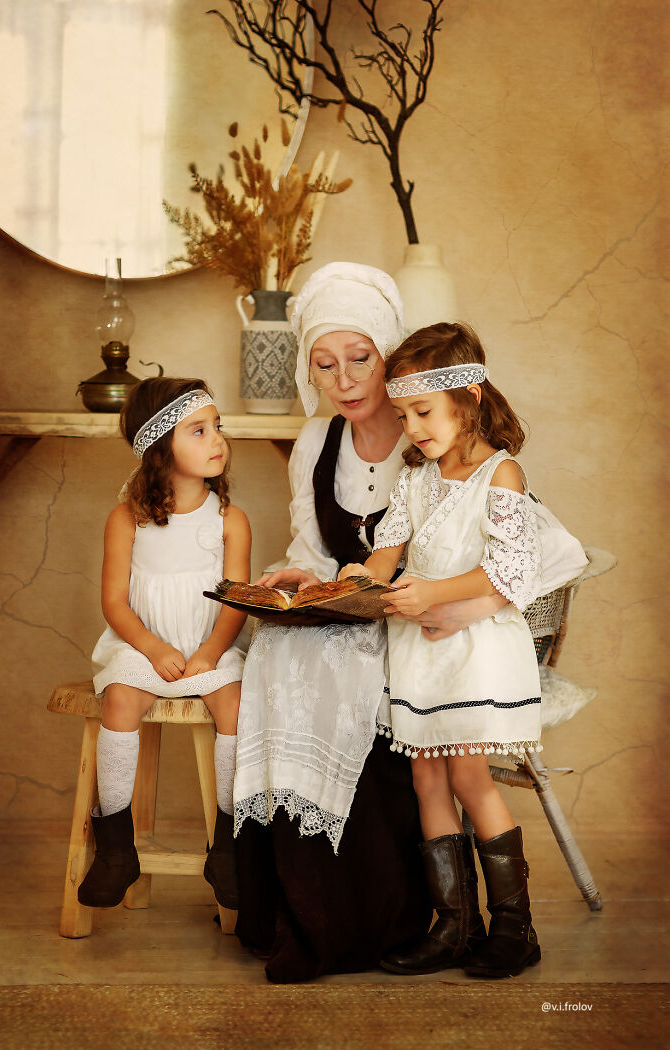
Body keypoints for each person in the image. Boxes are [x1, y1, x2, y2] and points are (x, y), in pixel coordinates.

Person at [232, 263, 511, 983]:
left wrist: (399, 590)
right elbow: (329, 551)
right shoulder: (316, 444)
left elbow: (483, 557)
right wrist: (305, 579)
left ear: (392, 353)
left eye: (361, 359)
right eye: (325, 365)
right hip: (361, 607)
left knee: (345, 673)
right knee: (277, 656)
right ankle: (299, 907)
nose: (346, 379)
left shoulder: (433, 448)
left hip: (431, 623)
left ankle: (405, 916)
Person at [339, 322, 543, 979]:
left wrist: (429, 592)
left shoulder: (500, 473)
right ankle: (454, 924)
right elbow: (386, 554)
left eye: (423, 412)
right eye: (402, 415)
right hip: (423, 655)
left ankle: (517, 928)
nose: (413, 428)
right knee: (426, 776)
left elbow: (507, 575)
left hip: (475, 650)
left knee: (466, 777)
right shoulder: (416, 480)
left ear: (470, 397)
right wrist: (359, 578)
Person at [79, 377, 251, 912]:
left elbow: (235, 600)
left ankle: (226, 847)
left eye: (217, 426)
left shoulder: (230, 522)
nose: (217, 439)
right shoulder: (126, 520)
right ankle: (114, 846)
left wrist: (209, 653)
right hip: (143, 646)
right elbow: (114, 603)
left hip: (207, 646)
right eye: (199, 430)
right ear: (160, 449)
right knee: (121, 700)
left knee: (236, 705)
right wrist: (152, 648)